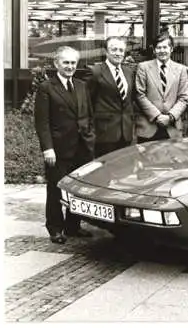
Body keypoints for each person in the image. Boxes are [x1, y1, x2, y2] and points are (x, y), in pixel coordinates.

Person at [34, 46, 95, 244]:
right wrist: (47, 148)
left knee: (77, 189)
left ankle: (73, 226)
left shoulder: (81, 85)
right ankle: (55, 228)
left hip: (82, 147)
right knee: (56, 189)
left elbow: (88, 115)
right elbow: (42, 123)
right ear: (56, 64)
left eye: (73, 63)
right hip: (58, 149)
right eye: (66, 62)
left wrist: (90, 137)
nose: (70, 66)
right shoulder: (46, 88)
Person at [87, 36, 136, 157]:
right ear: (106, 51)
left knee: (124, 170)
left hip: (126, 132)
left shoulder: (129, 72)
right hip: (104, 134)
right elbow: (87, 103)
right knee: (105, 172)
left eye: (121, 50)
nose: (118, 53)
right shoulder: (95, 72)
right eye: (114, 49)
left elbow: (130, 100)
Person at [135, 33, 188, 142]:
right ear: (154, 50)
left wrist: (170, 117)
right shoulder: (143, 67)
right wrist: (157, 116)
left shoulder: (181, 69)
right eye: (158, 47)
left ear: (171, 49)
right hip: (148, 127)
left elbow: (183, 97)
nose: (162, 50)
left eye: (165, 47)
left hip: (172, 127)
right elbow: (139, 95)